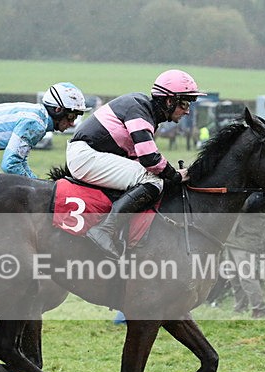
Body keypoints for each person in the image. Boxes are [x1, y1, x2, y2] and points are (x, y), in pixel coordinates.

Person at [67, 69, 205, 259]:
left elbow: (142, 159)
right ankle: (104, 230)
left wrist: (169, 172)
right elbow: (149, 159)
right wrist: (174, 175)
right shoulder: (139, 109)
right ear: (168, 101)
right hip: (86, 156)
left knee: (154, 177)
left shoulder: (145, 111)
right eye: (184, 103)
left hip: (90, 155)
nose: (187, 111)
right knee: (154, 181)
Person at [225, 193, 265, 318]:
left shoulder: (262, 190)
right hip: (232, 238)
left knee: (247, 277)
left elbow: (248, 206)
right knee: (233, 277)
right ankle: (240, 307)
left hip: (246, 240)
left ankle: (260, 310)